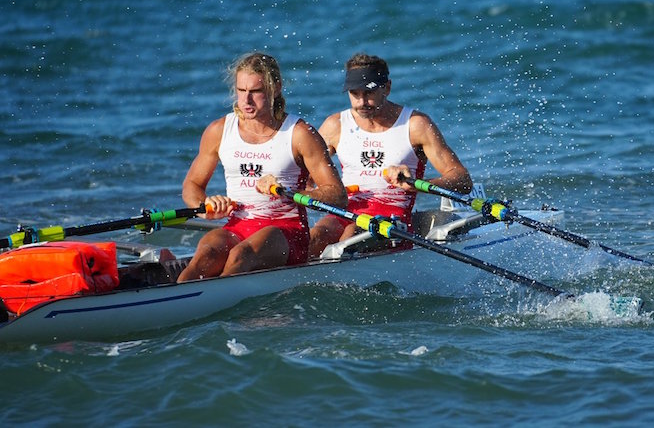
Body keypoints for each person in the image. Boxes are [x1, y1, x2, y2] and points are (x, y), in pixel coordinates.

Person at [177, 52, 347, 281]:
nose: (246, 100)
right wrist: (204, 206)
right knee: (205, 255)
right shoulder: (219, 131)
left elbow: (338, 195)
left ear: (275, 88)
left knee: (240, 255)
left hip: (287, 232)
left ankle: (218, 300)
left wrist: (288, 193)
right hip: (237, 226)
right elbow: (192, 185)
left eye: (255, 92)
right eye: (241, 90)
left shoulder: (299, 134)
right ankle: (179, 297)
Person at [308, 52, 472, 257]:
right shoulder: (335, 126)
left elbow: (462, 180)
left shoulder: (416, 125)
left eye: (368, 93)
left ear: (387, 88)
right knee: (314, 238)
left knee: (349, 238)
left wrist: (415, 184)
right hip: (345, 213)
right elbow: (306, 179)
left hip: (392, 222)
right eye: (354, 94)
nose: (361, 102)